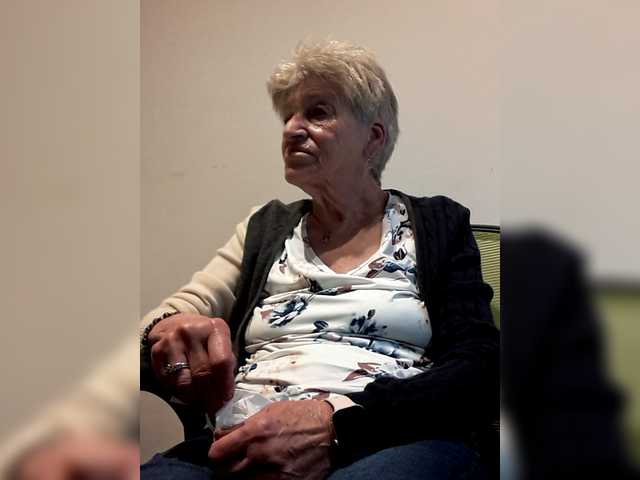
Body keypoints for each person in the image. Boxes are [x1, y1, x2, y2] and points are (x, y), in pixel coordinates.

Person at [140, 40, 498, 479]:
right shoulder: (264, 227)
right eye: (288, 116)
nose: (292, 128)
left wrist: (340, 422)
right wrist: (167, 330)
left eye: (317, 112)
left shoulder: (437, 224)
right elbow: (180, 310)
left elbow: (480, 366)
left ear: (373, 138)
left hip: (388, 438)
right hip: (241, 441)